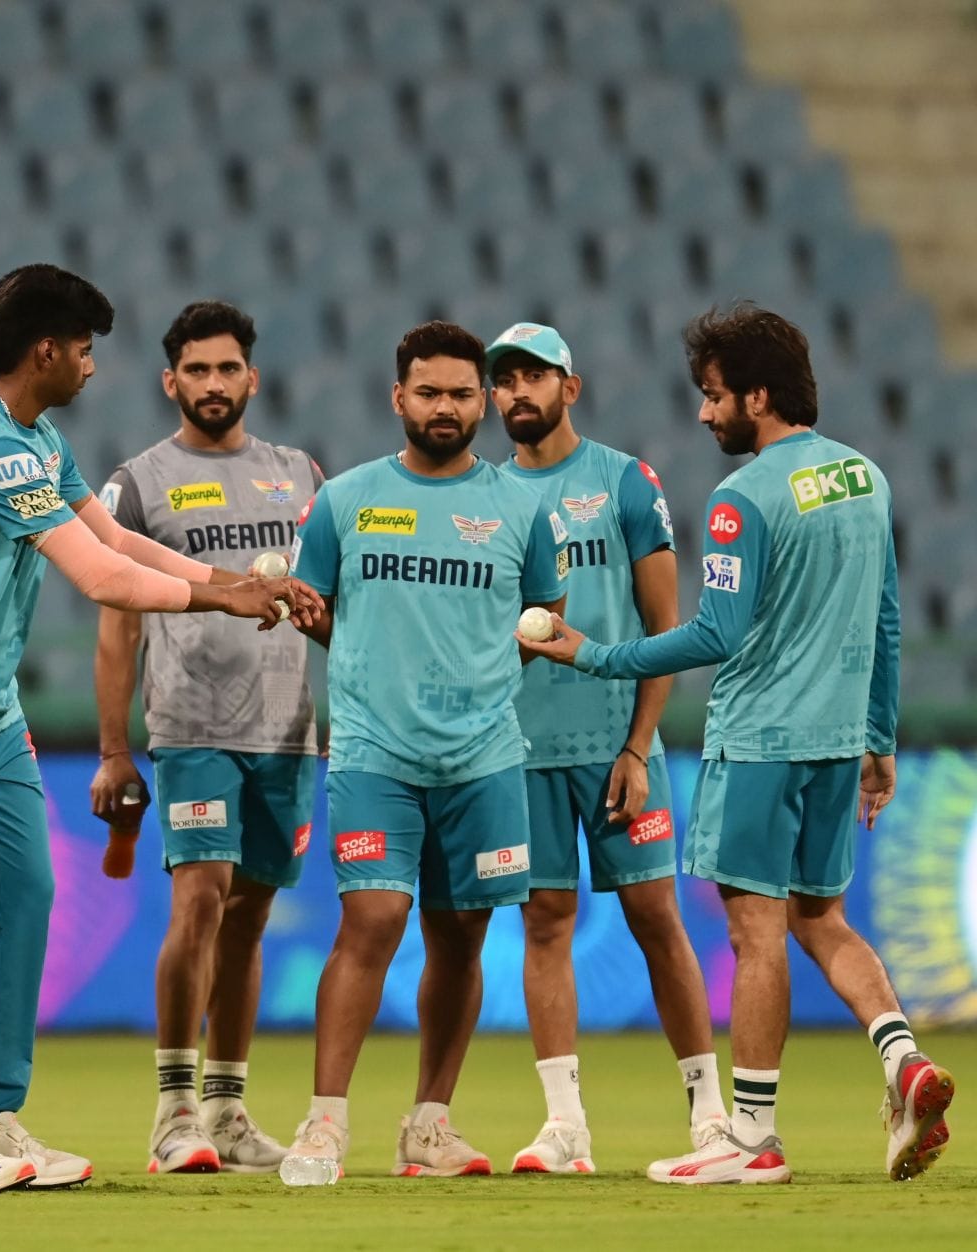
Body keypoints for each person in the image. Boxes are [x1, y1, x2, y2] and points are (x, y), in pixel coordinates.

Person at [0, 264, 319, 1197]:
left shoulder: (34, 432)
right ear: (47, 352)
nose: (95, 368)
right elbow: (101, 581)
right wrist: (219, 599)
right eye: (87, 350)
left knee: (23, 900)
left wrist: (231, 587)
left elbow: (117, 539)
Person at [519, 303, 954, 1185]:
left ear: (760, 395)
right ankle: (904, 1061)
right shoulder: (864, 479)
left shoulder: (738, 501)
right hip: (837, 742)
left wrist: (591, 653)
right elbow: (885, 619)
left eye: (716, 397)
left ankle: (751, 1141)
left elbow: (713, 633)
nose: (706, 415)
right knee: (821, 919)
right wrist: (878, 738)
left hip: (759, 744)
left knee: (757, 936)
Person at [279, 321, 568, 1185]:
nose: (447, 408)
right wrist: (369, 661)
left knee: (460, 939)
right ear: (397, 397)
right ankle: (325, 1123)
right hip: (373, 754)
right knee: (371, 921)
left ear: (483, 401)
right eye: (429, 392)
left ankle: (429, 1125)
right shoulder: (345, 502)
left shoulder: (524, 508)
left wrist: (471, 679)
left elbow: (537, 624)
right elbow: (321, 612)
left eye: (462, 393)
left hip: (484, 759)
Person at [488, 322, 729, 1174]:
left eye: (534, 377)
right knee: (545, 925)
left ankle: (711, 1114)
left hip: (619, 751)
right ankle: (565, 1128)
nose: (517, 392)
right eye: (504, 379)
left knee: (655, 918)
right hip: (524, 751)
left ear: (570, 387)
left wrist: (637, 747)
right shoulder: (486, 498)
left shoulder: (625, 483)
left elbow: (664, 629)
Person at [88, 301, 322, 1175]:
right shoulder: (136, 485)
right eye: (197, 371)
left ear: (252, 378)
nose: (214, 384)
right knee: (201, 898)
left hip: (288, 730)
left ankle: (226, 1108)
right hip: (191, 726)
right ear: (170, 382)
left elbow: (328, 601)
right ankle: (174, 1110)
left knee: (251, 916)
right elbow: (117, 627)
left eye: (228, 369)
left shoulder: (300, 474)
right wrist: (115, 748)